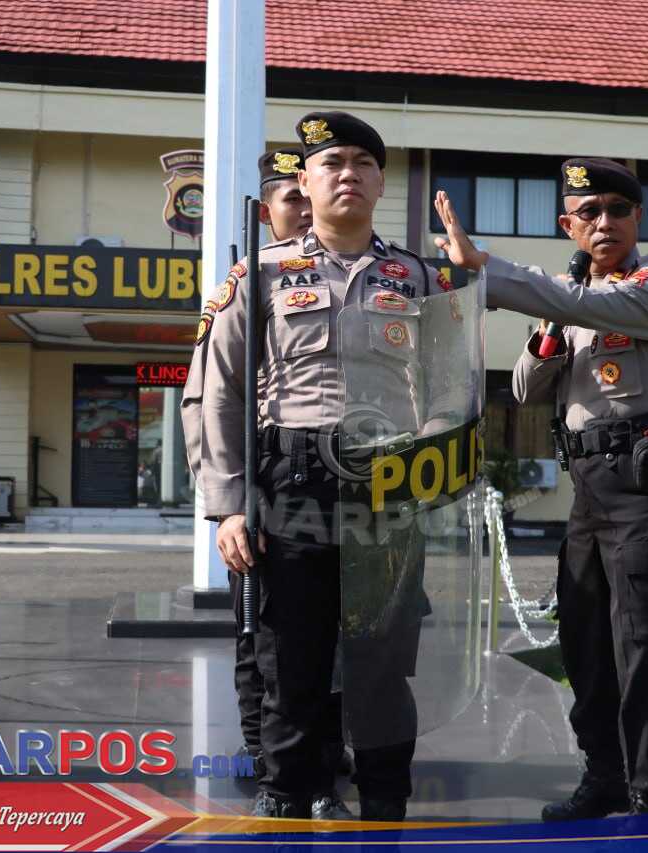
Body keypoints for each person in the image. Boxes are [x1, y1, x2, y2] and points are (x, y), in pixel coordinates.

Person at [183, 113, 453, 821]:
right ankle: (287, 792)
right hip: (292, 474)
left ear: (381, 180)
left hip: (388, 481)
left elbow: (448, 390)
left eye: (363, 162)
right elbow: (220, 390)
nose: (348, 174)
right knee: (291, 652)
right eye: (331, 162)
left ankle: (386, 792)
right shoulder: (259, 274)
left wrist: (439, 476)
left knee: (383, 654)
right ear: (304, 180)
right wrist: (230, 503)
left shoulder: (417, 276)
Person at [433, 158, 648, 816]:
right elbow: (526, 387)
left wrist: (490, 267)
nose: (604, 222)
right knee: (585, 639)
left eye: (617, 209)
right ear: (568, 225)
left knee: (647, 642)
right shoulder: (571, 299)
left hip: (644, 486)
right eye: (589, 213)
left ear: (639, 218)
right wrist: (551, 326)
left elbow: (579, 302)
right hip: (587, 488)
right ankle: (603, 773)